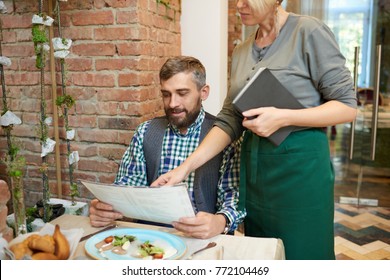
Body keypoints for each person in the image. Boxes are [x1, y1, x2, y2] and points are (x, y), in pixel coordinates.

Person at [152, 0, 357, 259]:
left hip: (301, 174)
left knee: (302, 255)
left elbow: (348, 107)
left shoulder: (308, 32)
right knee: (261, 255)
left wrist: (283, 118)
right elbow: (230, 118)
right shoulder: (242, 50)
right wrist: (185, 168)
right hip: (255, 174)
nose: (239, 5)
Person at [89, 56, 245, 239]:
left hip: (202, 239)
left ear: (203, 92)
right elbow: (128, 185)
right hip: (150, 238)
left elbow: (234, 197)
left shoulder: (223, 137)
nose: (172, 103)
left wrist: (220, 221)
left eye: (182, 93)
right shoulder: (145, 131)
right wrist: (106, 207)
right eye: (166, 94)